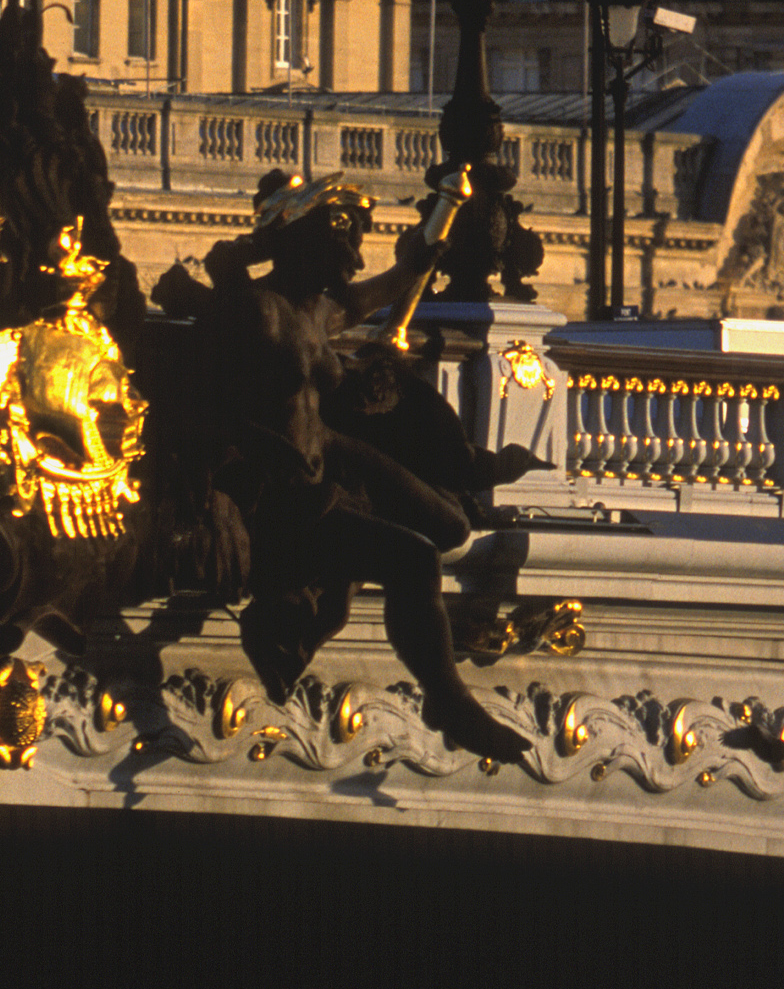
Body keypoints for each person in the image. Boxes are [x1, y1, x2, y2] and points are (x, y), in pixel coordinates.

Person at [159, 175, 531, 763]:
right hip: (277, 507)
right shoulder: (258, 313)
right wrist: (218, 501)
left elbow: (393, 283)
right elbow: (195, 408)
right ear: (306, 242)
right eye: (347, 243)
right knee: (413, 557)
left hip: (321, 476)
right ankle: (447, 697)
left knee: (447, 526)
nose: (357, 259)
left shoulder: (319, 313)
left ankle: (315, 612)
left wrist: (432, 238)